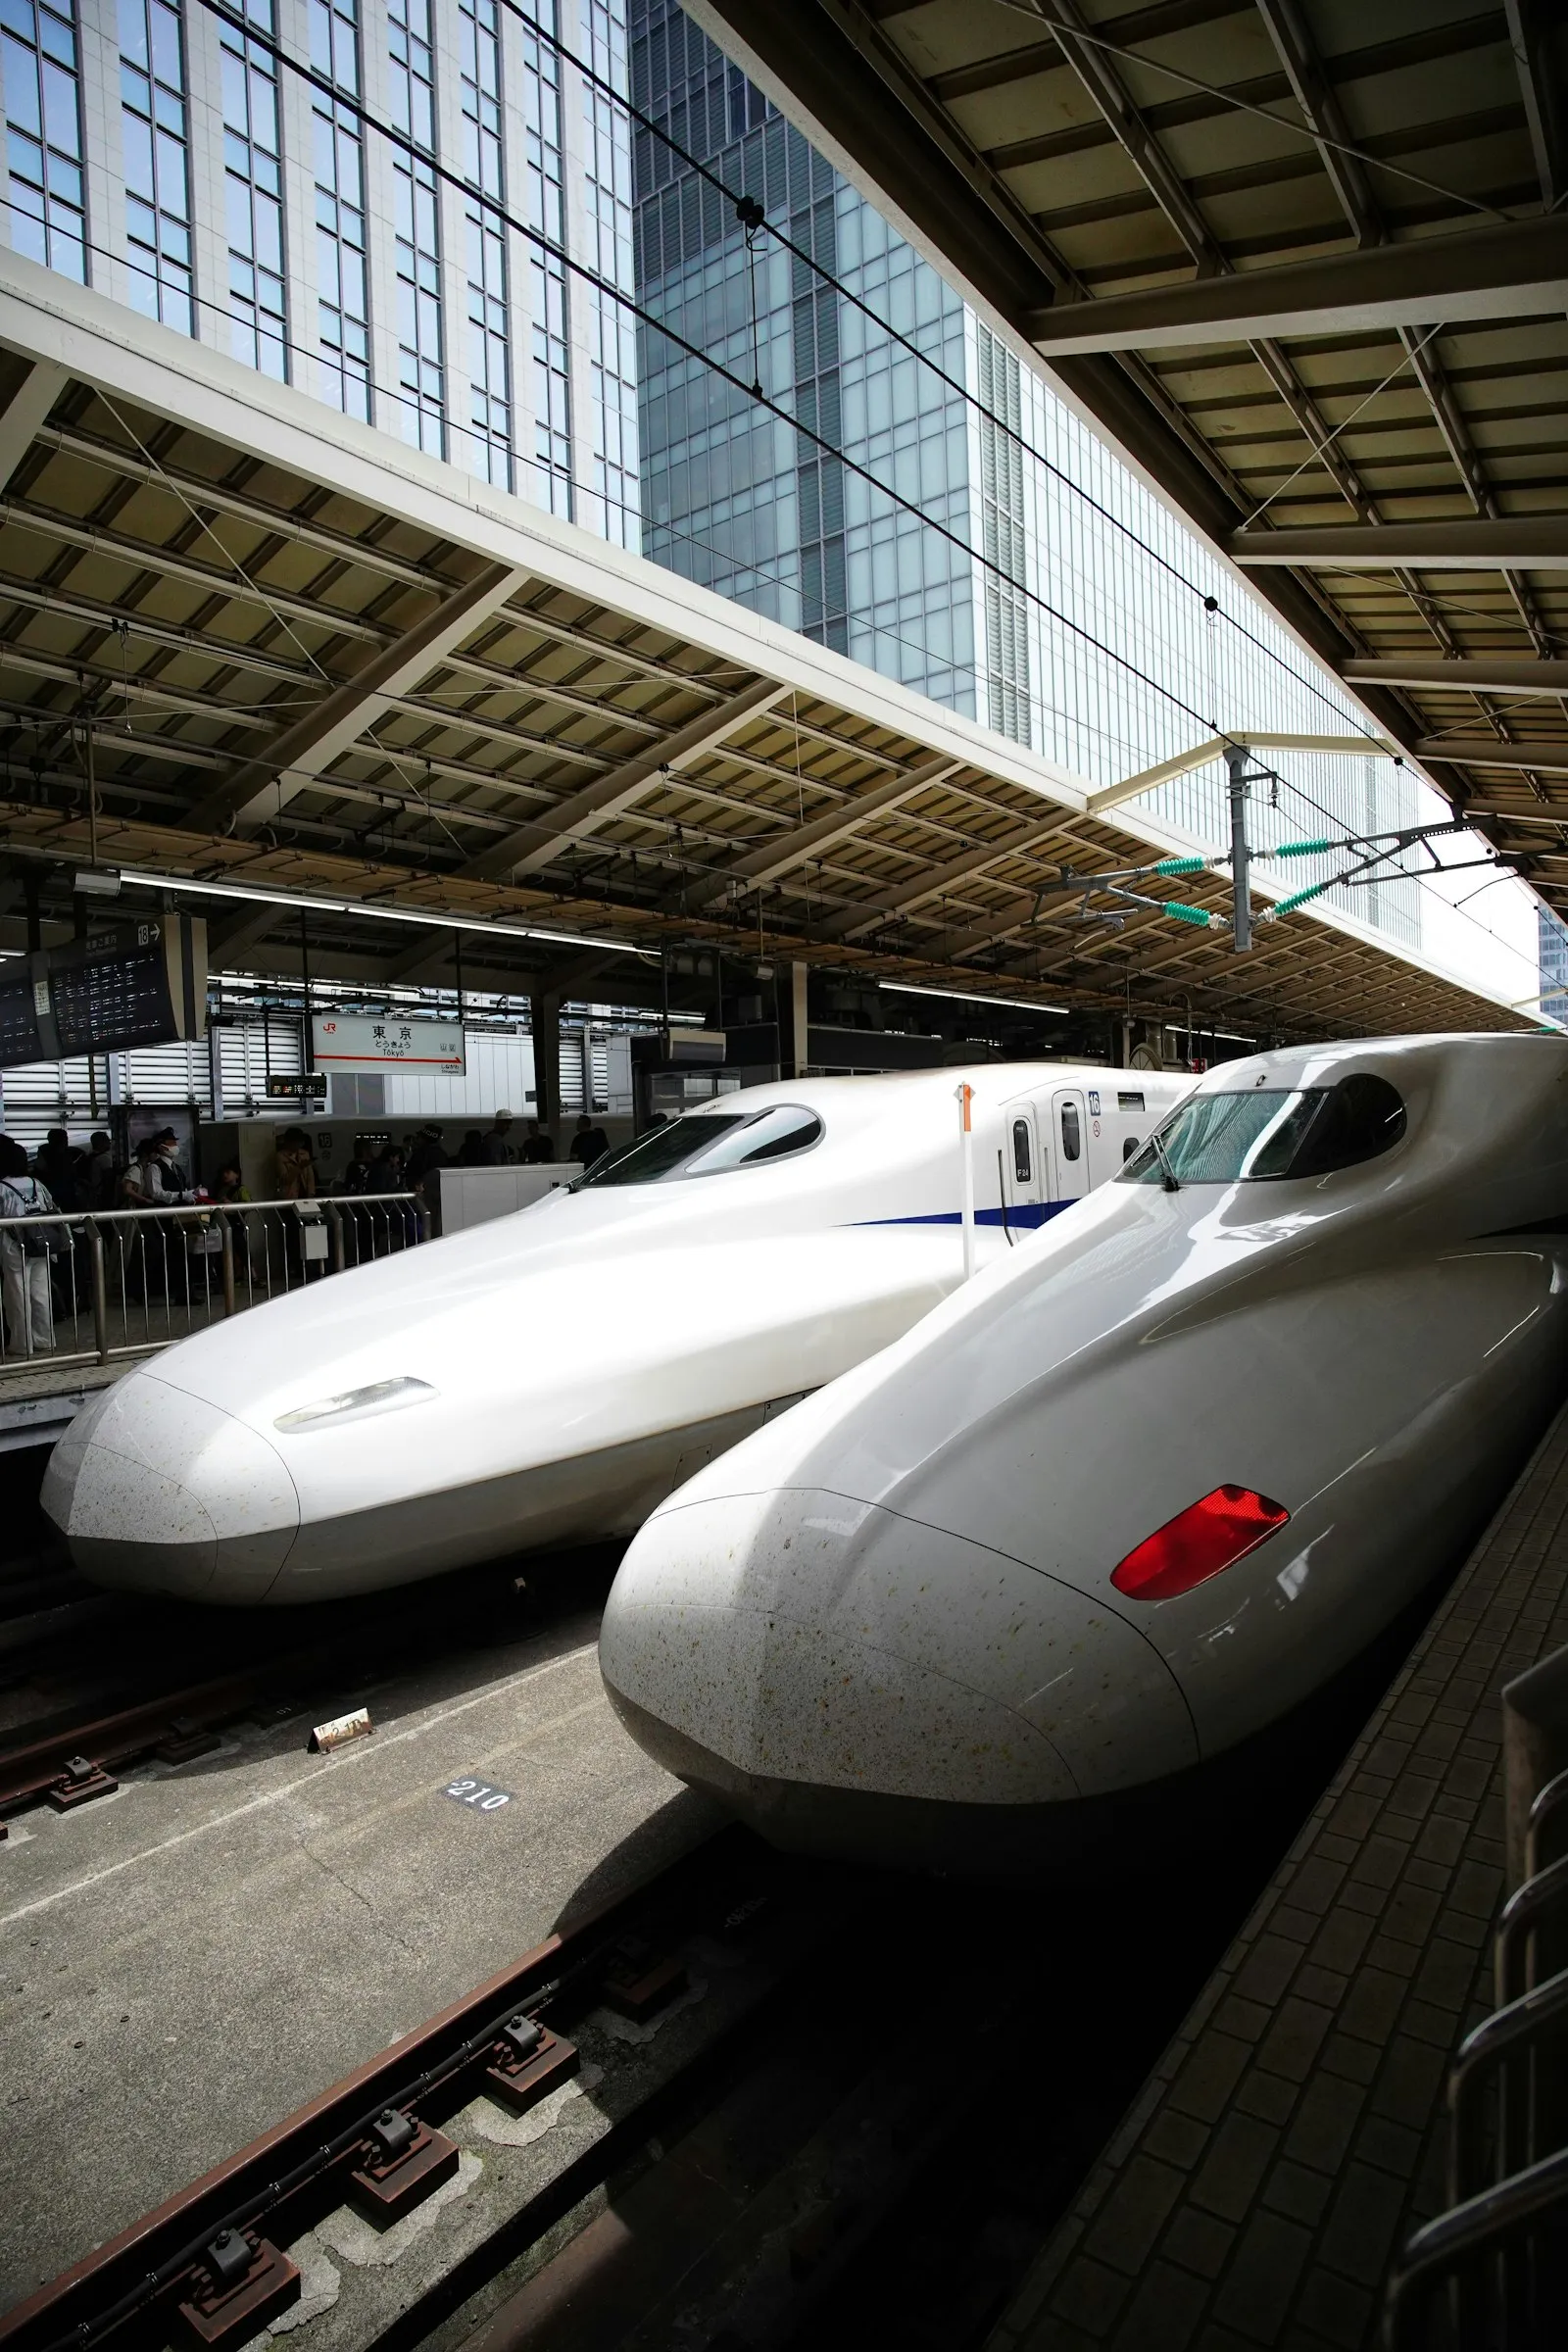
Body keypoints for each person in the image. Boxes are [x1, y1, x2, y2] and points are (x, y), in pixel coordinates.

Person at [0, 1134, 57, 1355]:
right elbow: (50, 1206)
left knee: (17, 1293)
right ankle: (45, 1339)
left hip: (13, 1244)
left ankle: (23, 1344)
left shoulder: (2, 1187)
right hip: (40, 1242)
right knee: (40, 1292)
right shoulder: (36, 1183)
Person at [35, 1129, 82, 1210]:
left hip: (54, 1192)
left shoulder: (45, 1152)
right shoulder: (70, 1154)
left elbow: (39, 1168)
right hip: (63, 1192)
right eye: (65, 1138)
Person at [84, 1130, 117, 1211]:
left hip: (91, 1195)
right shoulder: (104, 1158)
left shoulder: (89, 1157)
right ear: (101, 1143)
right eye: (107, 1140)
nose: (109, 1143)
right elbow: (108, 1180)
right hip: (102, 1197)